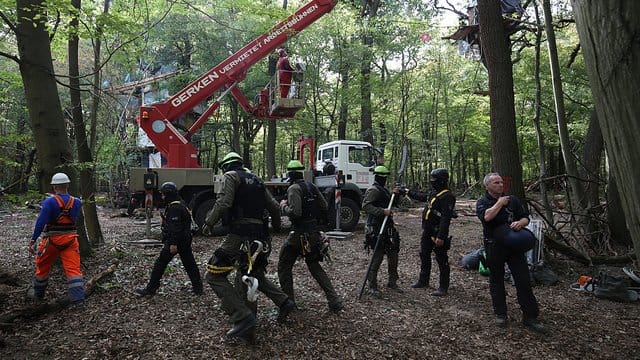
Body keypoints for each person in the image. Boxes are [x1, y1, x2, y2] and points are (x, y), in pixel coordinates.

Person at [203, 152, 295, 343]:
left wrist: (209, 222)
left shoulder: (231, 176)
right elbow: (274, 207)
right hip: (260, 237)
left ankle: (243, 318)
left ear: (226, 166)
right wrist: (276, 228)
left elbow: (224, 202)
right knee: (253, 275)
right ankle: (283, 302)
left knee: (214, 275)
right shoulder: (257, 180)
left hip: (238, 235)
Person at [476, 173, 546, 334]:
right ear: (487, 186)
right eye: (496, 182)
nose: (500, 185)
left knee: (523, 280)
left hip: (514, 246)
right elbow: (487, 217)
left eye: (501, 182)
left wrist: (521, 223)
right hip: (495, 246)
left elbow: (525, 217)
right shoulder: (483, 202)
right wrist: (499, 203)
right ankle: (501, 314)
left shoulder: (513, 200)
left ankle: (530, 317)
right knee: (496, 280)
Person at [278, 160, 343, 313]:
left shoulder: (294, 188)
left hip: (298, 235)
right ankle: (334, 300)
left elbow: (295, 213)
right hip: (313, 233)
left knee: (284, 266)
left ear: (289, 173)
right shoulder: (311, 186)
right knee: (314, 266)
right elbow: (324, 206)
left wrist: (283, 206)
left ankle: (289, 303)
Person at [135, 182, 203, 297]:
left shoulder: (175, 208)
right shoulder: (181, 204)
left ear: (168, 194)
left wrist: (173, 244)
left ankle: (151, 289)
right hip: (185, 240)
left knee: (160, 264)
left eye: (163, 194)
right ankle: (198, 288)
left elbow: (176, 228)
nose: (162, 197)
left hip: (178, 242)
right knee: (190, 264)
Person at [396, 168, 456, 296]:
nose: (431, 181)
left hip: (437, 232)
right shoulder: (434, 192)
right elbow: (422, 197)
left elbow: (446, 218)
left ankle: (443, 287)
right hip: (427, 231)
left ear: (441, 180)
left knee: (441, 259)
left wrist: (441, 236)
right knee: (424, 254)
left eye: (434, 179)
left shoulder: (447, 196)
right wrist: (405, 191)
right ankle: (423, 280)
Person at [28, 172, 84, 307]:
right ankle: (78, 300)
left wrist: (33, 240)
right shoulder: (76, 202)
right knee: (73, 270)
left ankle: (38, 294)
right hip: (70, 239)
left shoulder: (49, 202)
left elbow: (41, 222)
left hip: (51, 240)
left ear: (54, 187)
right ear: (68, 185)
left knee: (42, 267)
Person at [362, 165, 402, 296]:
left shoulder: (383, 190)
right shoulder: (373, 190)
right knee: (377, 256)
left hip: (388, 227)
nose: (384, 179)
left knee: (393, 255)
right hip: (375, 227)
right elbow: (366, 206)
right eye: (383, 177)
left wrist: (395, 195)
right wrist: (382, 211)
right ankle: (372, 285)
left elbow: (392, 204)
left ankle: (392, 281)